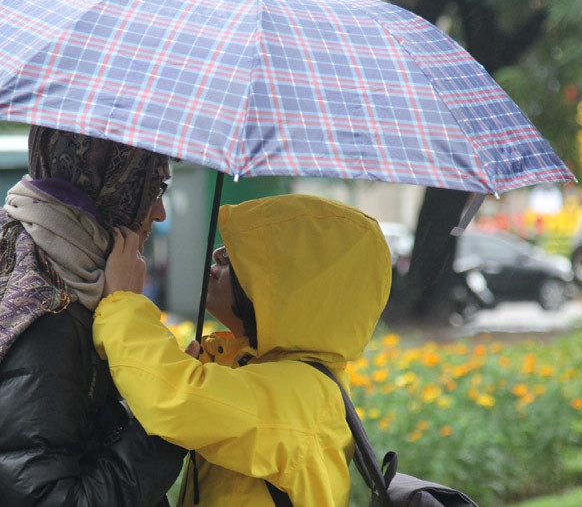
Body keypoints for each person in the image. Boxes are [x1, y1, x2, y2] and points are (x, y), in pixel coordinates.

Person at [95, 194, 392, 506]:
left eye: (252, 255)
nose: (219, 253)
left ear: (295, 288)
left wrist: (121, 302)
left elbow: (177, 400)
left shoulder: (304, 394)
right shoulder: (266, 371)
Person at [0, 126, 186, 506]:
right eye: (152, 190)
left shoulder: (32, 262)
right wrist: (168, 424)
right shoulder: (43, 316)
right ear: (112, 188)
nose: (159, 212)